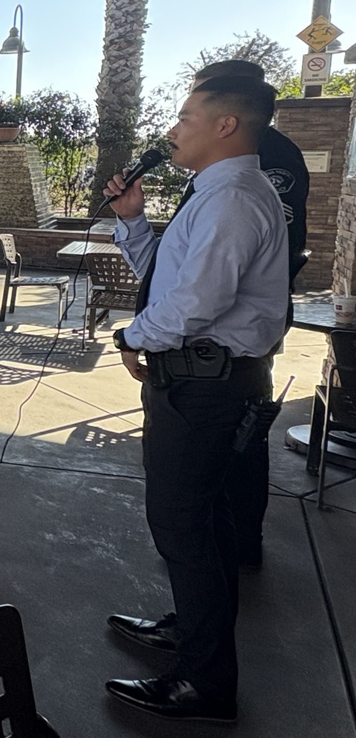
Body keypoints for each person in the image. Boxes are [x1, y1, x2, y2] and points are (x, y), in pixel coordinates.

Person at [102, 75, 287, 723]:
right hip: (198, 382)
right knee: (201, 525)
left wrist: (134, 335)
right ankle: (193, 632)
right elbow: (170, 277)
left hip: (207, 388)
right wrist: (132, 221)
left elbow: (196, 303)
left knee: (184, 526)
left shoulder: (233, 197)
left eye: (185, 116)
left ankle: (204, 684)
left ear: (226, 125)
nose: (174, 129)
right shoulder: (212, 193)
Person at [181, 59, 310, 570]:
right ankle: (220, 549)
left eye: (197, 102)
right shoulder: (221, 167)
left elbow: (224, 271)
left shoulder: (262, 160)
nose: (187, 119)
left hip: (230, 343)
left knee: (234, 444)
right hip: (210, 340)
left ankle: (235, 546)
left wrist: (142, 333)